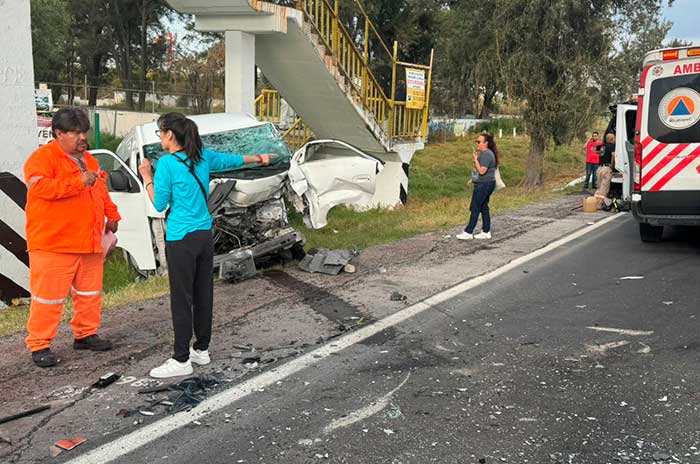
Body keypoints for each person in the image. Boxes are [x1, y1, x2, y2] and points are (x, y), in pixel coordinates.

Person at [138, 112, 275, 378]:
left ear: (169, 135)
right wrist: (259, 158)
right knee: (203, 294)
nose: (160, 138)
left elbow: (159, 204)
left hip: (181, 238)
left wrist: (147, 177)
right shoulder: (203, 157)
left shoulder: (166, 164)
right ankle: (201, 349)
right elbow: (232, 160)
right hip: (203, 236)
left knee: (182, 298)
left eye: (160, 133)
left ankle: (180, 359)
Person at [23, 108, 121, 368]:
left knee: (90, 293)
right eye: (75, 132)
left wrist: (112, 215)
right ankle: (40, 344)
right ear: (59, 134)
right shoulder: (42, 158)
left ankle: (86, 334)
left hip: (88, 241)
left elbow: (100, 189)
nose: (81, 137)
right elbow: (40, 188)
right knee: (48, 297)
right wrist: (78, 182)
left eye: (83, 131)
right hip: (54, 244)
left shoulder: (90, 160)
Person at [457, 133, 498, 240]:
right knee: (484, 207)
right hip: (485, 183)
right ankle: (486, 231)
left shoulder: (487, 155)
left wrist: (475, 159)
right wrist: (473, 179)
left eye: (479, 142)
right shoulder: (484, 154)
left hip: (485, 184)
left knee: (475, 206)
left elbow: (482, 171)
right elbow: (480, 172)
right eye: (477, 142)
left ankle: (468, 232)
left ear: (486, 143)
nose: (477, 144)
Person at [595, 133, 615, 205]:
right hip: (606, 168)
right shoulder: (612, 146)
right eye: (614, 138)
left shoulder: (601, 146)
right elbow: (613, 155)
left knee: (599, 187)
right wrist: (612, 165)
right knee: (604, 187)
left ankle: (594, 202)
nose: (615, 140)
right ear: (611, 139)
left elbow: (596, 151)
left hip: (599, 168)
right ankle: (599, 204)